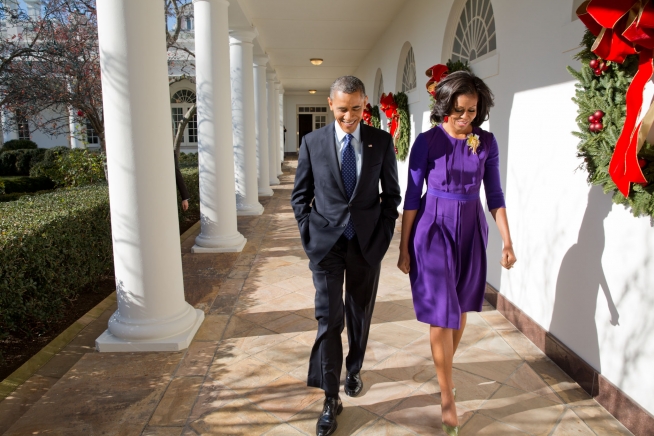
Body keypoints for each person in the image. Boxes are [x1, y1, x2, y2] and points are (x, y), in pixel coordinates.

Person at [396, 71, 516, 436]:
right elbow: (412, 197)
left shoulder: (488, 143)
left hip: (470, 229)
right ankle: (447, 395)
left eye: (473, 111)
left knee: (461, 309)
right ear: (445, 107)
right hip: (432, 229)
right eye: (459, 111)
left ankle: (444, 371)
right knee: (441, 314)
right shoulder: (426, 142)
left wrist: (507, 240)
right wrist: (403, 246)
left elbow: (494, 196)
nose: (466, 119)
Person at [291, 76, 401, 436]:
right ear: (330, 104)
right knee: (329, 319)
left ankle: (353, 368)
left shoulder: (381, 142)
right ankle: (329, 396)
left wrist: (383, 236)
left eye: (356, 108)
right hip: (326, 246)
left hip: (366, 244)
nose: (350, 116)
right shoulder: (311, 143)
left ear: (364, 103)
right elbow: (300, 196)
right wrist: (310, 234)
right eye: (343, 109)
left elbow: (391, 196)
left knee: (359, 314)